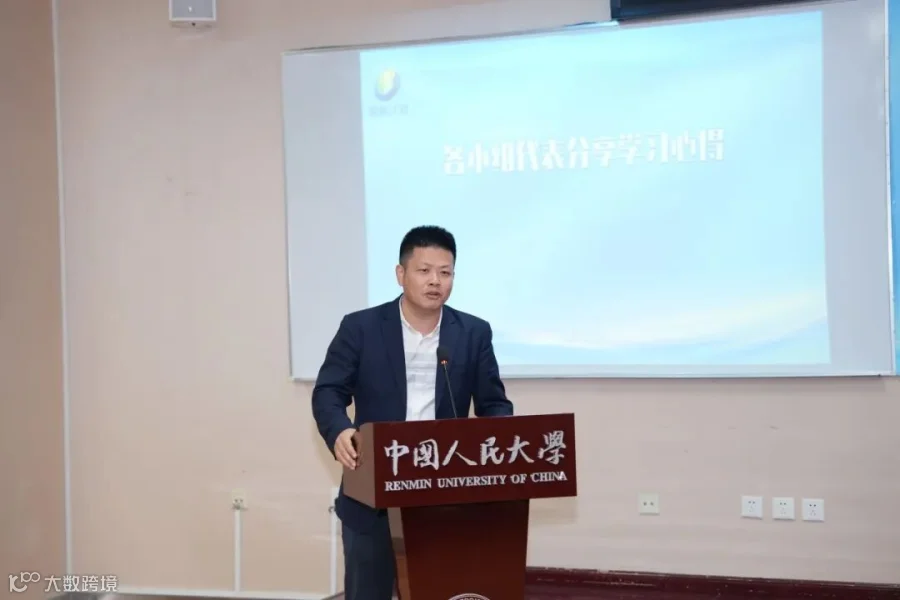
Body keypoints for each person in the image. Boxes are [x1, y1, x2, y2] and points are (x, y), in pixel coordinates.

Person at [311, 225, 514, 600]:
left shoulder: (473, 332)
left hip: (444, 491)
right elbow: (329, 391)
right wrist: (339, 430)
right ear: (401, 274)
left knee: (439, 591)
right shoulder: (361, 327)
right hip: (372, 485)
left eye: (445, 272)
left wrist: (501, 446)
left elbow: (494, 404)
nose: (436, 281)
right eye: (424, 270)